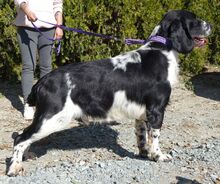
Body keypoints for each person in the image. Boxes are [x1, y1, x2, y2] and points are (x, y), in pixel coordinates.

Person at [14, 0, 63, 120]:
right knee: (28, 66)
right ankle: (28, 104)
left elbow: (57, 5)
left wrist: (59, 26)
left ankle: (44, 103)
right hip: (26, 28)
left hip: (49, 28)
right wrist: (26, 10)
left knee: (46, 67)